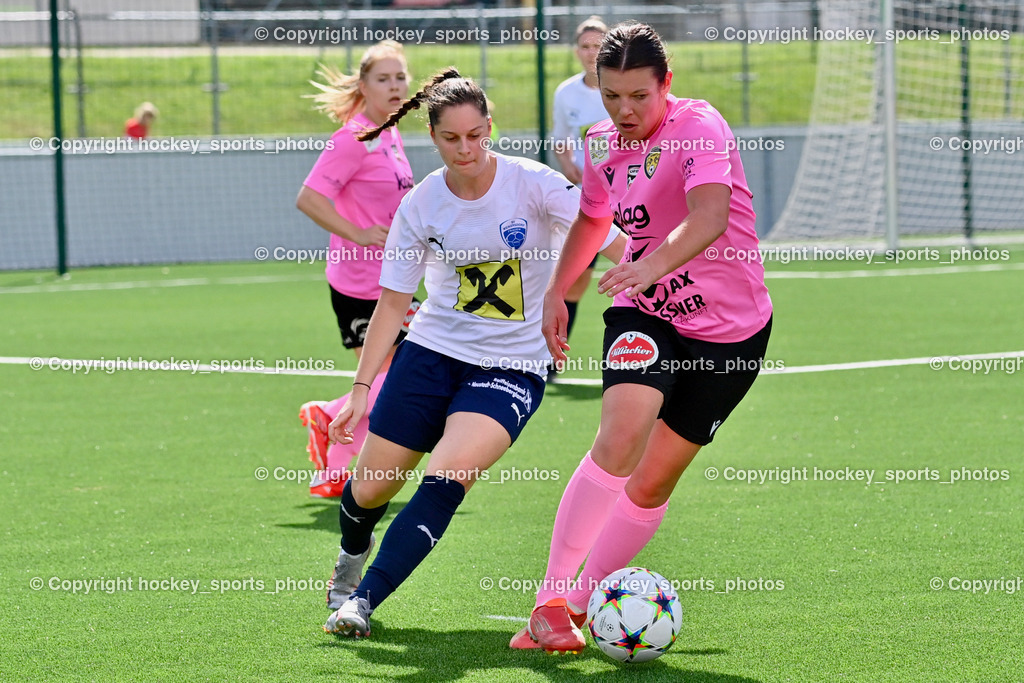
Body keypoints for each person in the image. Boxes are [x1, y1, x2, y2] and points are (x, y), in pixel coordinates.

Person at [319, 67, 625, 637]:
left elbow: (611, 240)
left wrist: (664, 274)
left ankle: (361, 601)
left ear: (491, 128)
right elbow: (392, 304)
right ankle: (352, 553)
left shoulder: (534, 185)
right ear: (432, 138)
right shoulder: (420, 205)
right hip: (430, 353)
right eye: (452, 138)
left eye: (477, 135)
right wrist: (360, 392)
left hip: (511, 367)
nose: (467, 149)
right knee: (370, 489)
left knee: (447, 475)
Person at [510, 22, 773, 653]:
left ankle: (582, 603)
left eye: (638, 97)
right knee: (620, 436)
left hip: (732, 335)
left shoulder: (700, 126)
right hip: (645, 311)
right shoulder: (601, 142)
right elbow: (594, 217)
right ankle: (550, 602)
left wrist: (650, 261)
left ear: (666, 86)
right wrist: (556, 289)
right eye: (611, 96)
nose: (624, 111)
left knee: (653, 481)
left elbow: (709, 216)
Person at [295, 41, 417, 498]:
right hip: (359, 285)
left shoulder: (391, 133)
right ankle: (335, 441)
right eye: (383, 79)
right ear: (363, 86)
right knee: (396, 373)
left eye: (400, 77)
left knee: (394, 376)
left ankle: (335, 444)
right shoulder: (354, 137)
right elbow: (309, 198)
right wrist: (359, 233)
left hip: (393, 281)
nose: (394, 86)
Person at [550, 16, 609, 351]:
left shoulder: (622, 87)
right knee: (574, 277)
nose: (591, 53)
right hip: (587, 198)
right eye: (585, 46)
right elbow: (561, 141)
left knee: (641, 266)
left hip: (628, 195)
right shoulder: (566, 93)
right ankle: (553, 355)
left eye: (598, 45)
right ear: (576, 51)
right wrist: (571, 169)